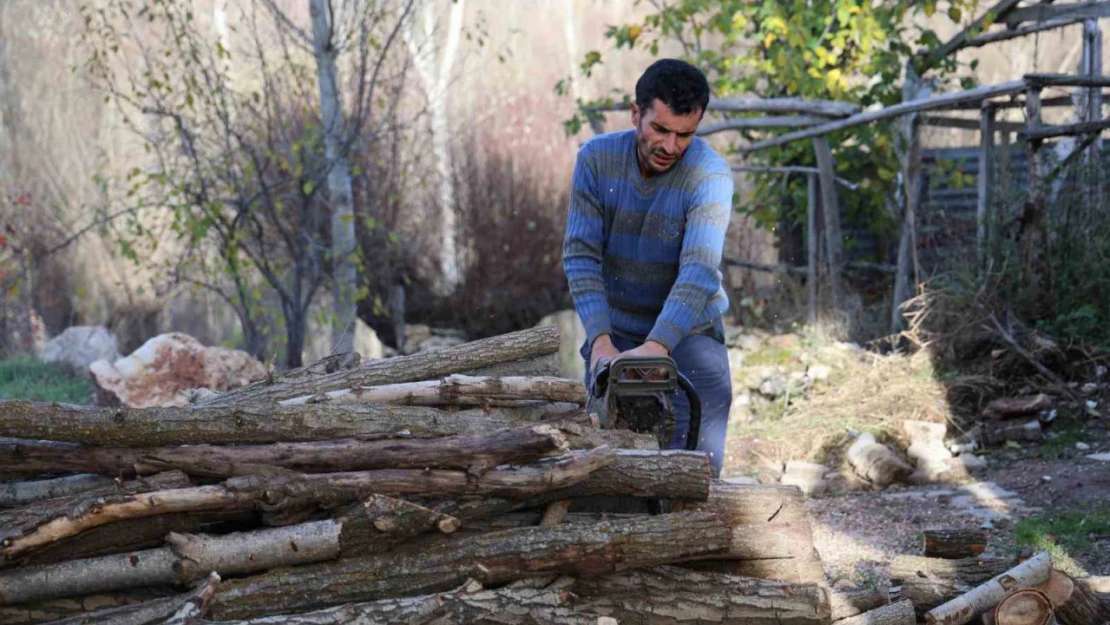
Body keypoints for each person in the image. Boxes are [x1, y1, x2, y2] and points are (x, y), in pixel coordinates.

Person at [562, 58, 734, 477]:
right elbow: (581, 254)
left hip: (690, 332)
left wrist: (658, 348)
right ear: (636, 113)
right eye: (660, 130)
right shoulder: (596, 160)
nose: (671, 146)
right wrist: (600, 342)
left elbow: (698, 271)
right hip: (616, 330)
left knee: (694, 468)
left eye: (685, 135)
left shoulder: (709, 175)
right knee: (610, 461)